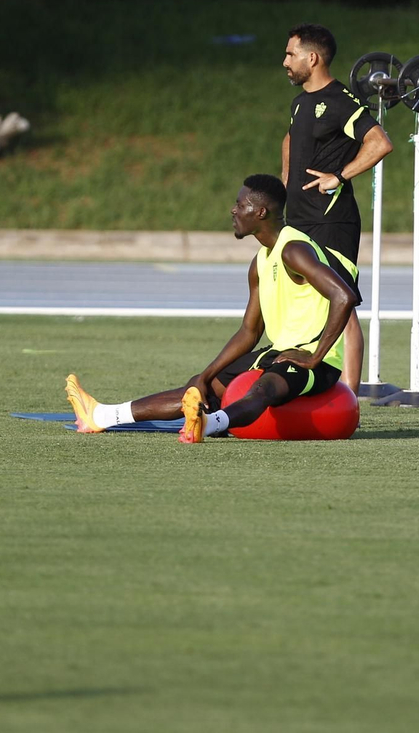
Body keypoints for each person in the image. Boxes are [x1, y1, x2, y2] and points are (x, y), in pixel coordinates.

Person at [66, 174, 360, 443]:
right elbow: (249, 332)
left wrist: (315, 356)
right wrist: (206, 375)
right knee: (198, 389)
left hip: (317, 363)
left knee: (264, 389)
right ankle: (102, 415)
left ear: (260, 213)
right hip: (279, 352)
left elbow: (343, 296)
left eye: (240, 205)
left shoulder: (294, 249)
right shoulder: (260, 262)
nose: (233, 210)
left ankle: (207, 425)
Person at [279, 23, 393, 393]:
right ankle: (315, 386)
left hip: (331, 220)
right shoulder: (301, 102)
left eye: (291, 54)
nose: (285, 62)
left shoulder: (341, 101)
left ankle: (350, 398)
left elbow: (380, 142)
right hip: (298, 219)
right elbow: (290, 137)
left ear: (312, 58)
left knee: (341, 304)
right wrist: (286, 181)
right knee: (310, 302)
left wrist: (339, 176)